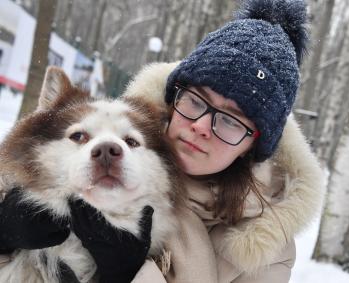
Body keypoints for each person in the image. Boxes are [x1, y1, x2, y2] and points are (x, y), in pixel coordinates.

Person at [0, 0, 325, 282]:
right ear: (174, 98)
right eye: (196, 101)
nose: (200, 127)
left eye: (229, 121)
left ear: (251, 147)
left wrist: (129, 274)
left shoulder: (266, 250)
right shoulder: (111, 136)